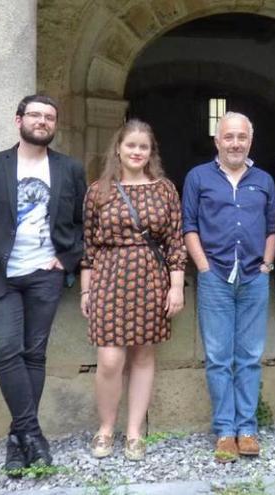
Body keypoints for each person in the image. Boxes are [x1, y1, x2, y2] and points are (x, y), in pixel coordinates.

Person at [0, 95, 86, 475]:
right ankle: (31, 433)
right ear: (18, 121)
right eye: (35, 115)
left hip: (45, 274)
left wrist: (67, 259)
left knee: (34, 353)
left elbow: (83, 222)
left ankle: (17, 442)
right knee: (7, 351)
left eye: (49, 117)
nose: (42, 121)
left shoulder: (69, 169)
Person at [79, 119, 187, 461]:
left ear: (150, 151)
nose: (137, 152)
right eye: (131, 146)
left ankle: (135, 430)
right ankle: (106, 428)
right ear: (118, 149)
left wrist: (177, 287)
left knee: (142, 355)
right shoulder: (99, 190)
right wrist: (85, 291)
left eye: (144, 146)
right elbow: (89, 246)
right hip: (109, 279)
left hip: (151, 278)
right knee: (110, 360)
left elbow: (175, 242)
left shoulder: (165, 189)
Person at [182, 112, 275, 463]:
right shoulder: (198, 177)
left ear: (250, 140)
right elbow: (188, 225)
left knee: (250, 357)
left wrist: (267, 264)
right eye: (229, 137)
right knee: (219, 358)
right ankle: (225, 431)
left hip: (254, 276)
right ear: (217, 141)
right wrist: (204, 267)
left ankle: (248, 429)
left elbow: (272, 227)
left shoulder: (264, 180)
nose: (235, 143)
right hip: (216, 277)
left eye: (241, 137)